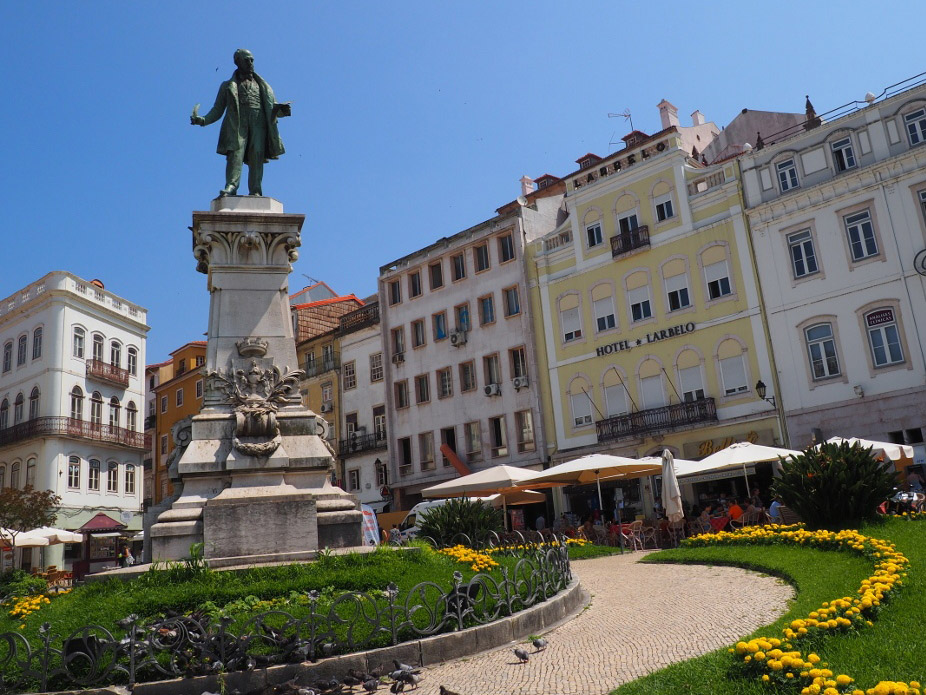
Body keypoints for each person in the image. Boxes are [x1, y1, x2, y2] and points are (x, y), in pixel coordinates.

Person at [191, 49, 291, 197]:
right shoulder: (227, 86)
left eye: (252, 60)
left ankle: (256, 190)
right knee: (235, 154)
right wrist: (203, 120)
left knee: (257, 154)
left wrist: (282, 110)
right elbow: (218, 109)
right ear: (237, 62)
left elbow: (271, 107)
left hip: (259, 121)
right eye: (246, 60)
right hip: (237, 122)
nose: (250, 63)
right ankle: (231, 185)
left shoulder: (263, 85)